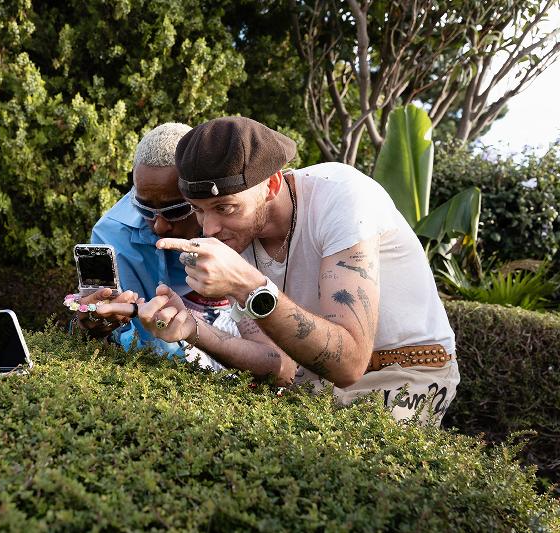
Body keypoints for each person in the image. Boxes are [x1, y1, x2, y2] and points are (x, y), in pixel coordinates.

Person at [131, 116, 460, 424]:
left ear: (272, 185)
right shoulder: (235, 238)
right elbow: (281, 367)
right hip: (319, 384)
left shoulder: (342, 197)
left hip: (407, 370)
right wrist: (192, 329)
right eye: (198, 210)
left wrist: (249, 287)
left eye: (225, 208)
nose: (210, 229)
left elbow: (349, 365)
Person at [69, 122, 235, 364]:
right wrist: (92, 324)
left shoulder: (233, 218)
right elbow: (124, 339)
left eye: (175, 210)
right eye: (145, 208)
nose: (159, 226)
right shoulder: (113, 234)